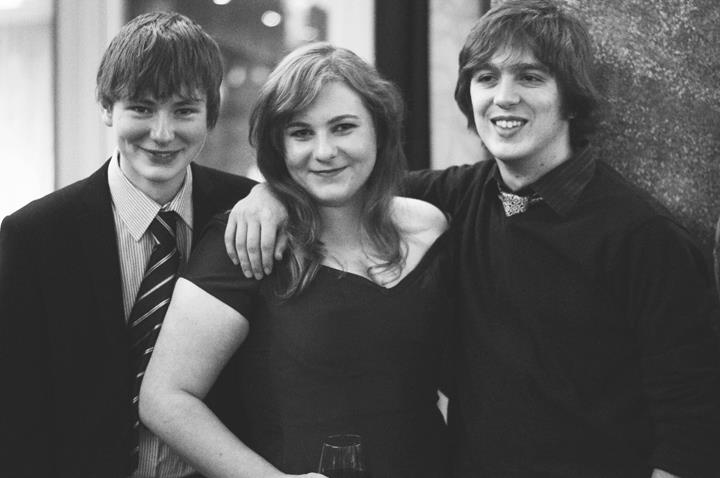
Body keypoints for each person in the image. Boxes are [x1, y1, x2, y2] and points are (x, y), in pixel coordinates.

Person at [223, 1, 720, 477]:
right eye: (486, 77)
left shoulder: (646, 237)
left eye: (530, 77)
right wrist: (272, 194)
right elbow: (348, 183)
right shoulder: (459, 197)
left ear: (570, 98)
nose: (504, 97)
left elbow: (694, 428)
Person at [139, 42, 452, 478]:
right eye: (301, 133)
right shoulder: (247, 241)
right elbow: (165, 398)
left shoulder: (429, 228)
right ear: (279, 146)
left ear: (379, 130)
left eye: (343, 128)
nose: (324, 151)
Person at [0, 12, 256, 478]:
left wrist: (278, 198)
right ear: (106, 107)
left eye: (184, 110)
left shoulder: (248, 212)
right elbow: (16, 411)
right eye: (141, 108)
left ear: (211, 114)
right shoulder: (33, 236)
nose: (162, 133)